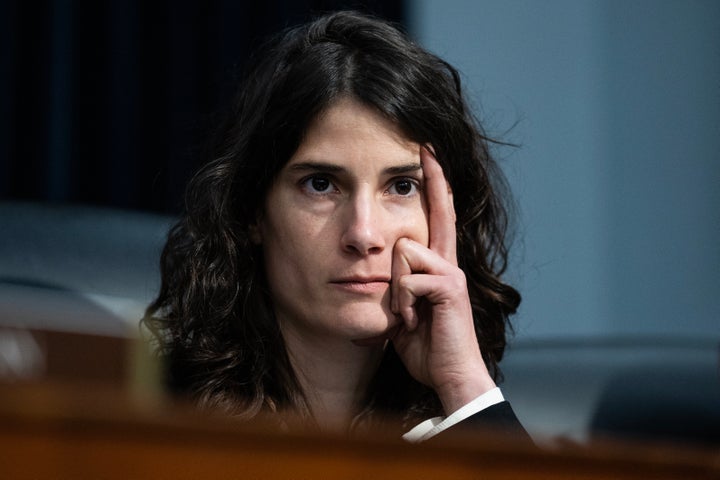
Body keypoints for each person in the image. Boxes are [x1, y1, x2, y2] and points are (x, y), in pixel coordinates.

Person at [143, 10, 527, 443]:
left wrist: (463, 383)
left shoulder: (455, 425)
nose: (363, 235)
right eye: (321, 185)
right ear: (251, 212)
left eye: (401, 186)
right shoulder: (149, 420)